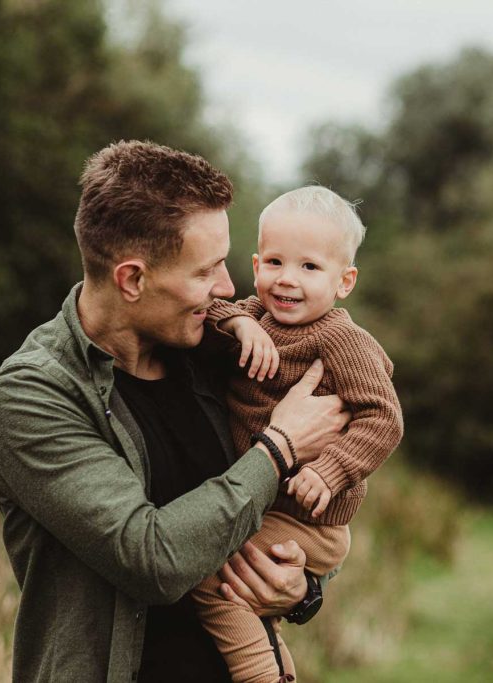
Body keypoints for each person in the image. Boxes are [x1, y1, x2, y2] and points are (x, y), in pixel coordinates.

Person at [0, 141, 350, 682]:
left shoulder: (215, 356)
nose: (227, 288)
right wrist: (279, 446)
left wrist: (303, 589)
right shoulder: (30, 397)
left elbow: (302, 514)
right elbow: (153, 560)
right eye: (207, 271)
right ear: (132, 279)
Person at [192, 186, 404, 682]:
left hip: (312, 518)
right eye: (274, 262)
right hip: (271, 507)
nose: (287, 280)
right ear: (255, 263)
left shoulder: (340, 340)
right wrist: (243, 325)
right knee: (252, 596)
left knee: (214, 580)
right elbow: (219, 312)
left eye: (309, 268)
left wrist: (330, 472)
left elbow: (383, 418)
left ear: (344, 280)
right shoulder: (257, 316)